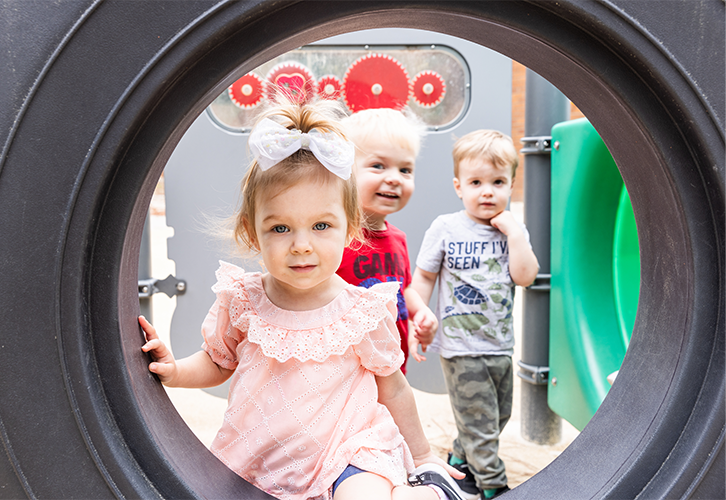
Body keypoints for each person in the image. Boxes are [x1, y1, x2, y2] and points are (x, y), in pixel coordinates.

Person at [139, 100, 465, 500]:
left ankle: (429, 493)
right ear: (252, 231)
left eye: (321, 225)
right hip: (262, 455)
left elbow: (393, 389)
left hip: (350, 449)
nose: (301, 245)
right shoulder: (243, 298)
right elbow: (217, 360)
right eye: (280, 227)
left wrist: (425, 457)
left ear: (349, 229)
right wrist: (175, 371)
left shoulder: (360, 310)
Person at [411, 129, 539, 500]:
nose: (487, 191)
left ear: (511, 184)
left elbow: (525, 277)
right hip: (460, 345)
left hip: (499, 343)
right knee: (481, 425)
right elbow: (423, 276)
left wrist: (515, 233)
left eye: (498, 182)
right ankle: (493, 487)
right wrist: (416, 321)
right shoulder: (446, 228)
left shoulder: (513, 230)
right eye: (476, 182)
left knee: (495, 417)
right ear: (458, 186)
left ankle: (460, 460)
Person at [336, 108, 438, 374]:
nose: (394, 178)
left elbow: (404, 288)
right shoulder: (334, 238)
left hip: (392, 364)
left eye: (405, 169)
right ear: (344, 171)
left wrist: (420, 312)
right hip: (347, 368)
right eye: (378, 165)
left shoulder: (398, 239)